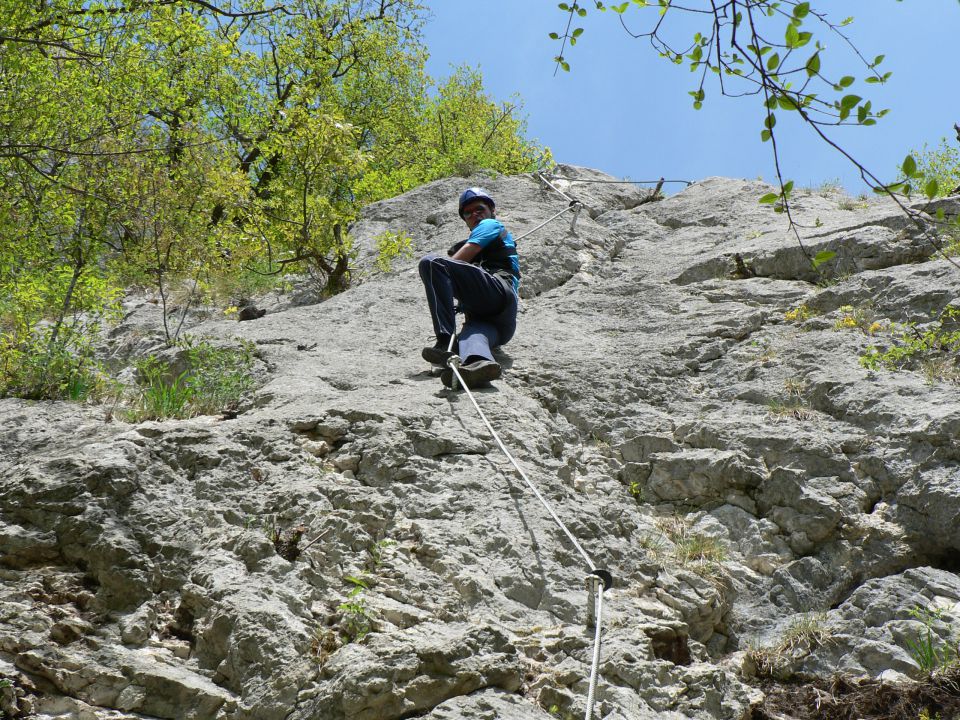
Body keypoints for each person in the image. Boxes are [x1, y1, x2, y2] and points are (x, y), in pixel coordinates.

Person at [418, 187, 519, 388]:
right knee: (472, 336)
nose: (474, 214)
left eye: (479, 209)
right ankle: (478, 365)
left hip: (498, 291)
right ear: (465, 219)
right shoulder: (487, 233)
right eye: (468, 212)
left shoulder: (490, 224)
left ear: (491, 211)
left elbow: (462, 257)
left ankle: (445, 341)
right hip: (500, 323)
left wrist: (446, 275)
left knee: (432, 263)